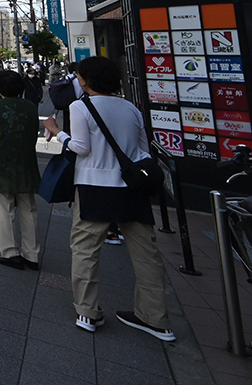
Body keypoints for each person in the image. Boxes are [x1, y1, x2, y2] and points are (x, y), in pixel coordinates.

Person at [42, 56, 175, 342]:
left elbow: (80, 147)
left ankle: (87, 312)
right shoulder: (130, 108)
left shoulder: (81, 106)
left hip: (94, 186)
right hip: (132, 188)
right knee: (146, 255)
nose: (78, 80)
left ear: (87, 80)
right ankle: (156, 318)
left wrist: (57, 132)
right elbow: (143, 151)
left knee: (85, 251)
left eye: (80, 76)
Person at [0, 69, 41, 270]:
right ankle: (31, 254)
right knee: (28, 208)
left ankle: (9, 252)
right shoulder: (30, 106)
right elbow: (33, 134)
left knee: (4, 209)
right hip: (25, 162)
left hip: (0, 164)